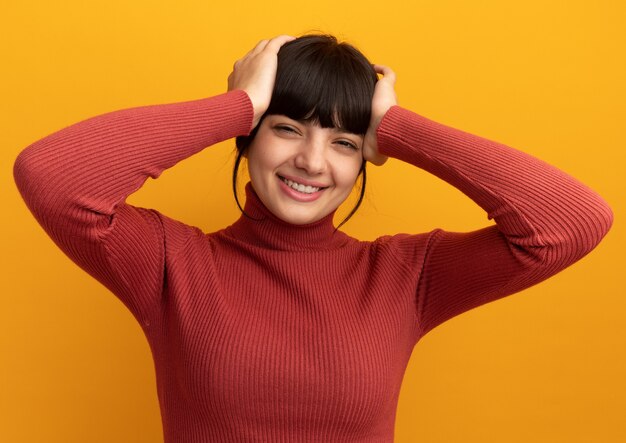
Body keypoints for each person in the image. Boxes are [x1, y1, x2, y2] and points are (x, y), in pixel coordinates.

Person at [13, 34, 613, 442]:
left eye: (345, 142)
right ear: (247, 137)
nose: (312, 161)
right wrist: (237, 104)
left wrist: (397, 128)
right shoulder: (172, 263)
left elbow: (571, 223)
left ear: (365, 159)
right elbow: (52, 178)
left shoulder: (407, 275)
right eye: (286, 128)